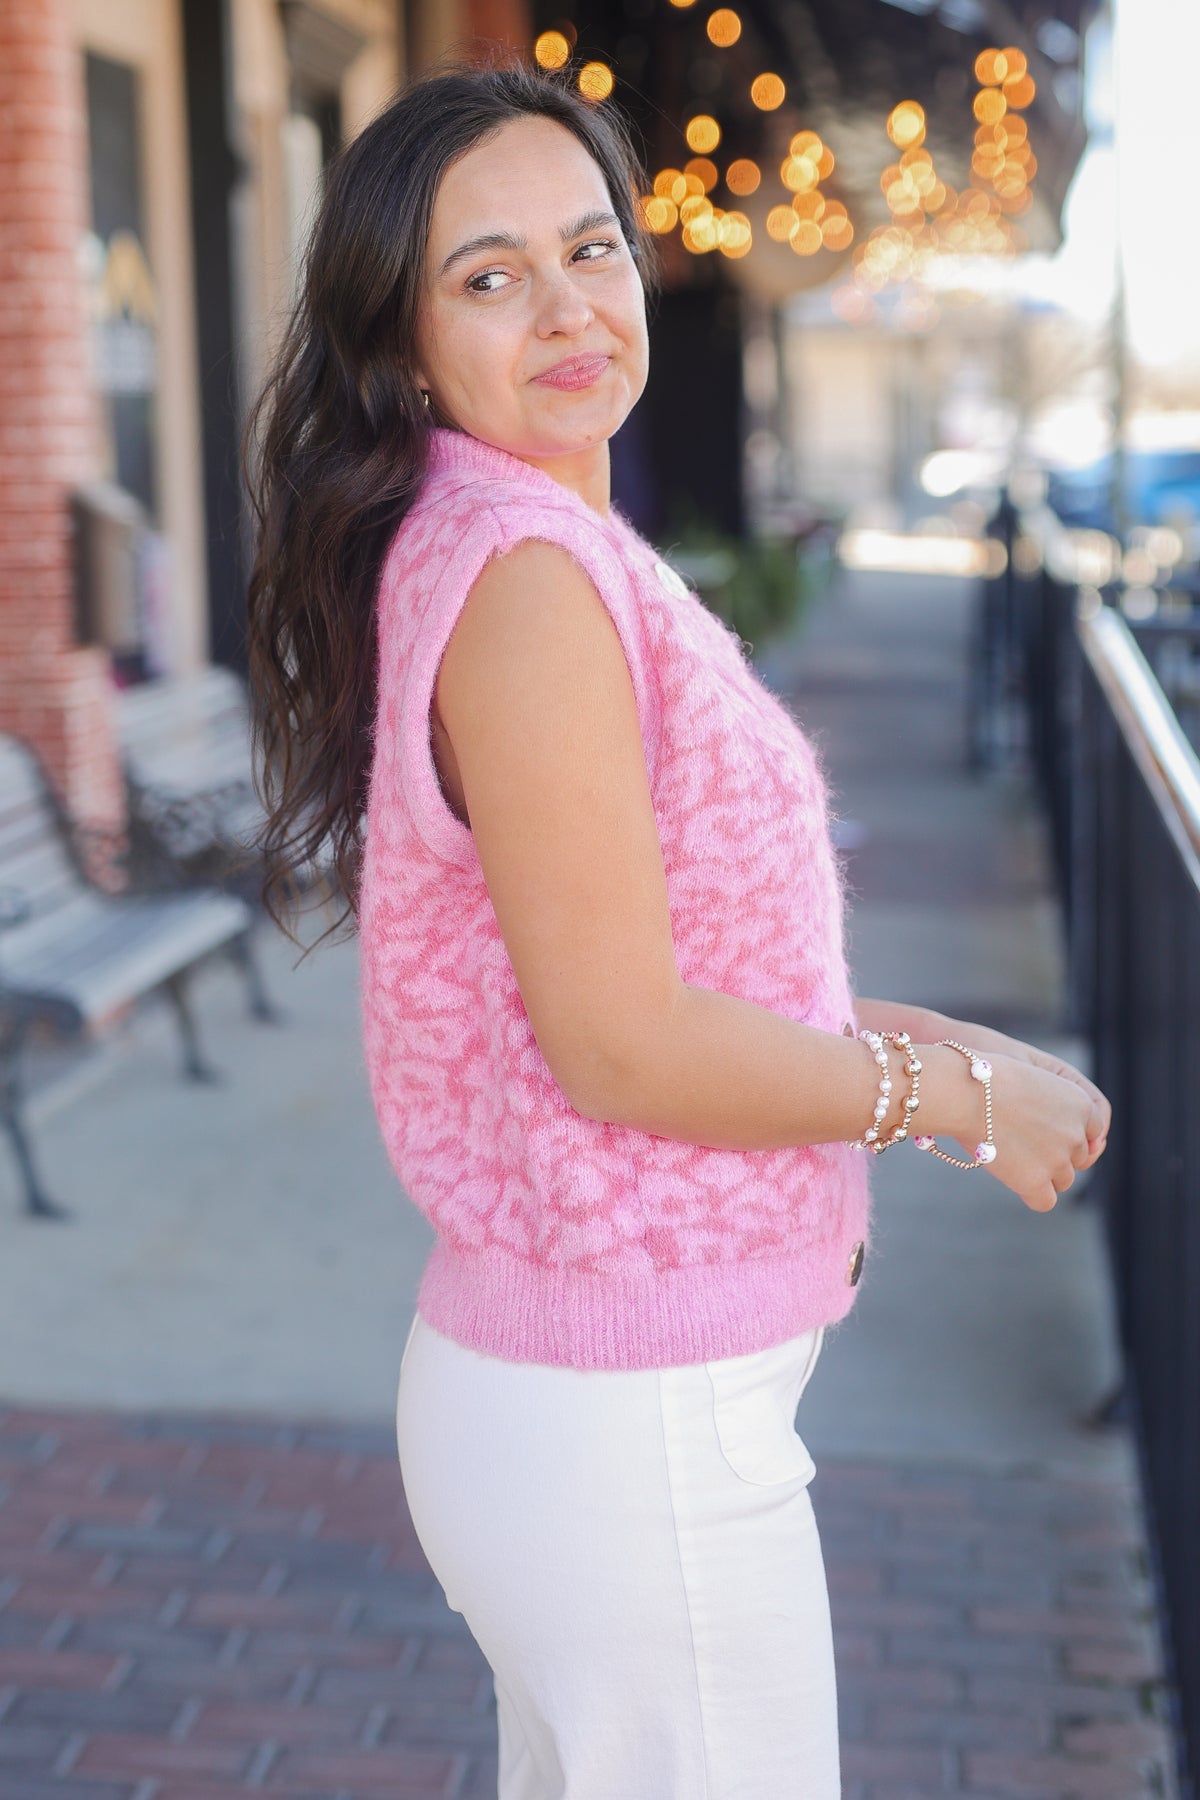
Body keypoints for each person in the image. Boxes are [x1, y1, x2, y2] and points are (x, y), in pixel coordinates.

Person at [243, 52, 1111, 1800]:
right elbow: (623, 1042)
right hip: (624, 1433)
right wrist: (946, 1107)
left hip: (584, 1413)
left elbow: (662, 948)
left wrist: (941, 1038)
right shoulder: (532, 584)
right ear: (406, 343)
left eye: (593, 251)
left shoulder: (498, 533)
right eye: (490, 278)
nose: (568, 309)